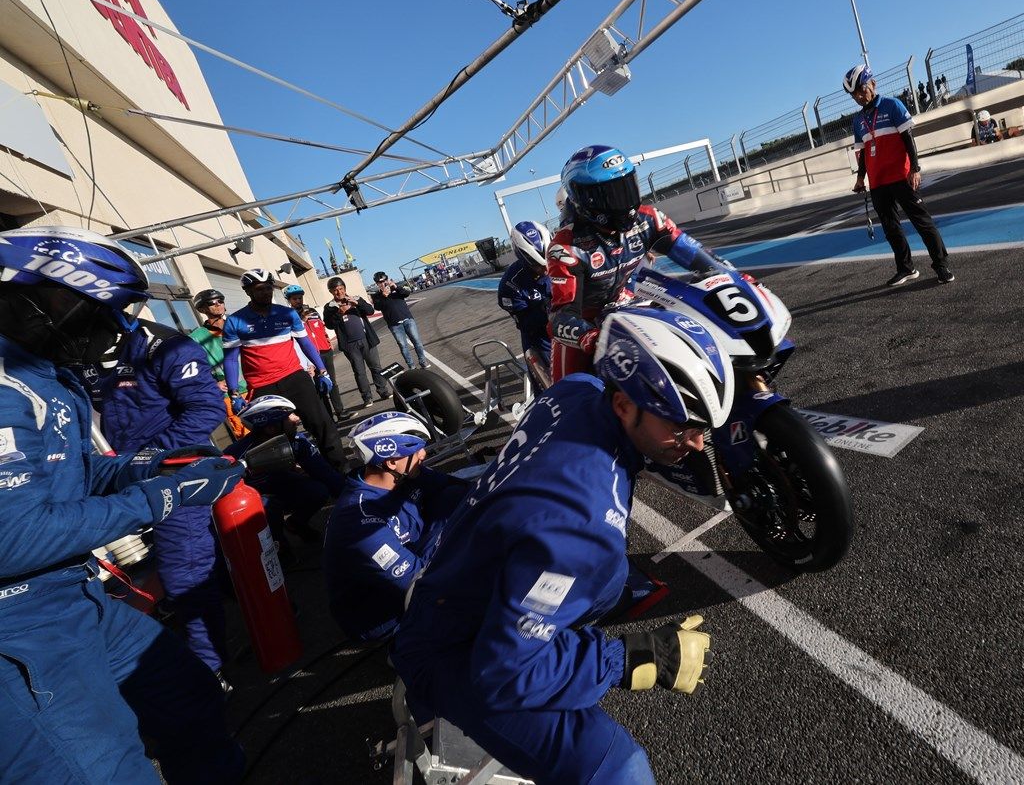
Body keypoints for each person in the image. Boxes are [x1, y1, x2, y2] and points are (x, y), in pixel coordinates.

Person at [393, 308, 726, 784]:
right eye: (682, 424)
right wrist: (633, 657)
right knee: (617, 768)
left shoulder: (575, 391)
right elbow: (505, 672)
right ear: (623, 405)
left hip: (456, 585)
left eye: (704, 426)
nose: (695, 443)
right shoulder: (582, 532)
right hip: (455, 651)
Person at [0, 224, 246, 783]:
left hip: (71, 595)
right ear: (34, 296)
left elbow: (77, 473)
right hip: (18, 624)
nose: (112, 327)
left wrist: (156, 466)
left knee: (190, 697)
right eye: (99, 310)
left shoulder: (46, 378)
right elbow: (12, 538)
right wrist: (159, 497)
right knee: (111, 771)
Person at [73, 314, 235, 688]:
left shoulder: (163, 345)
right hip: (124, 476)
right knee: (172, 567)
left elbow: (207, 409)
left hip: (178, 475)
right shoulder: (77, 356)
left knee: (185, 573)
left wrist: (150, 457)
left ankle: (211, 669)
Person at [548, 144, 730, 381]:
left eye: (626, 188)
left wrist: (732, 277)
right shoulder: (565, 247)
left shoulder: (649, 218)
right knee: (566, 390)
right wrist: (589, 337)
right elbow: (560, 318)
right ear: (584, 199)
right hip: (585, 323)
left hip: (627, 304)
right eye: (612, 194)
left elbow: (697, 255)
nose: (624, 202)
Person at [323, 412, 468, 643]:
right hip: (375, 613)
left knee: (455, 497)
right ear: (391, 461)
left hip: (409, 559)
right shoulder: (358, 522)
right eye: (416, 449)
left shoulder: (403, 475)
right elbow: (418, 584)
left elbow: (462, 489)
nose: (423, 454)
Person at [844, 64, 955, 286]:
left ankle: (941, 265)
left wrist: (915, 168)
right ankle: (906, 268)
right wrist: (860, 178)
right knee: (891, 229)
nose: (859, 97)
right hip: (878, 182)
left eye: (861, 90)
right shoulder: (858, 121)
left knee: (921, 222)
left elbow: (908, 138)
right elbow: (863, 153)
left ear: (872, 83)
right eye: (853, 94)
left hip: (901, 176)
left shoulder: (892, 105)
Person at [222, 269, 344, 468]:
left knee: (322, 423)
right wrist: (234, 393)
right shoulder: (235, 321)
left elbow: (305, 343)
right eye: (259, 289)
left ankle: (340, 469)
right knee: (273, 438)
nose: (265, 293)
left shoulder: (287, 313)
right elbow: (230, 360)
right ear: (248, 291)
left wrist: (323, 371)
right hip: (262, 385)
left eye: (268, 288)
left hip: (294, 376)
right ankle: (294, 476)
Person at [229, 395, 347, 549]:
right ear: (271, 428)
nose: (297, 418)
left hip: (282, 487)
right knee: (268, 508)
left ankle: (296, 524)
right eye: (289, 416)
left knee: (318, 491)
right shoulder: (235, 455)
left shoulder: (297, 441)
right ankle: (276, 548)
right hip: (252, 502)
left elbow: (325, 473)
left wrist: (357, 497)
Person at [497, 220, 553, 391]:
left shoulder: (562, 258)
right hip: (540, 338)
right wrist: (546, 309)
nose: (546, 269)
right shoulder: (510, 285)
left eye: (548, 261)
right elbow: (525, 324)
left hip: (570, 327)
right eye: (538, 265)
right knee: (550, 390)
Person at [323, 276, 391, 409]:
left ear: (345, 288)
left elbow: (370, 311)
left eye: (341, 288)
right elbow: (329, 325)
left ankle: (383, 391)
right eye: (335, 290)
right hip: (350, 345)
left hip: (366, 339)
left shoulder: (356, 298)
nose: (339, 292)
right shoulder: (329, 307)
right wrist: (339, 313)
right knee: (359, 372)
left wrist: (357, 303)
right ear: (331, 291)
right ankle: (367, 397)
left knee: (376, 367)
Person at [284, 284, 349, 421]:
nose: (298, 301)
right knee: (319, 387)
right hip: (309, 356)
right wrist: (302, 321)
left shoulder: (312, 311)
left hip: (325, 351)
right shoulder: (288, 316)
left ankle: (340, 411)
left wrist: (327, 341)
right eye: (295, 299)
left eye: (300, 298)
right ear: (289, 300)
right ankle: (328, 418)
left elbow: (321, 327)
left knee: (331, 382)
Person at [190, 288, 247, 439]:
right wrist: (212, 383)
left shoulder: (237, 325)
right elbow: (194, 368)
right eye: (212, 303)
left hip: (256, 384)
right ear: (202, 309)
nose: (217, 304)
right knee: (247, 435)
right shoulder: (196, 338)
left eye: (220, 301)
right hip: (232, 394)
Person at [371, 271, 430, 370]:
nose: (383, 283)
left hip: (408, 319)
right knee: (403, 346)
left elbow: (406, 293)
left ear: (387, 280)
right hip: (394, 324)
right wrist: (384, 296)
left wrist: (396, 287)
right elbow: (377, 307)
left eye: (384, 280)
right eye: (380, 282)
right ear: (377, 284)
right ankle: (411, 366)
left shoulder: (396, 288)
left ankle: (422, 361)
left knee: (417, 342)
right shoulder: (377, 296)